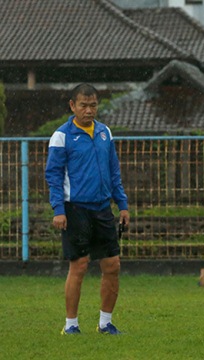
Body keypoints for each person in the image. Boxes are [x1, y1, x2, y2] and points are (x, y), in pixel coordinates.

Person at [45, 83, 130, 335]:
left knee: (113, 265)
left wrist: (122, 204)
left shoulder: (105, 133)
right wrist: (58, 209)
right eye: (83, 105)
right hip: (75, 209)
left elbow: (114, 171)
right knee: (79, 265)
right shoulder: (61, 136)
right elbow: (54, 175)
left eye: (93, 105)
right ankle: (71, 325)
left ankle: (106, 323)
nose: (89, 110)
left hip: (103, 209)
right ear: (72, 106)